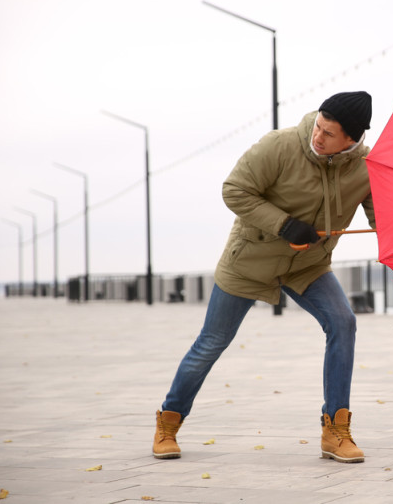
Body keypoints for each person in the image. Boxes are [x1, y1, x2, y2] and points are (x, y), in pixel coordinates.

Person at [152, 91, 374, 464]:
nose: (318, 136)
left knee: (343, 322)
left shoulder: (367, 167)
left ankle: (335, 430)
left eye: (329, 133)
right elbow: (234, 190)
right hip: (250, 261)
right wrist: (284, 225)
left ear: (351, 140)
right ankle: (168, 422)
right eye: (318, 126)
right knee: (212, 342)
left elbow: (382, 217)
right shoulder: (280, 146)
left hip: (308, 265)